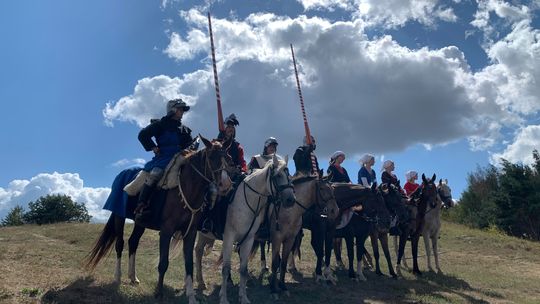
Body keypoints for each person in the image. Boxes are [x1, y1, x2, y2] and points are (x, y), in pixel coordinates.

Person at [134, 98, 193, 223]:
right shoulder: (160, 124)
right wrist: (153, 147)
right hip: (164, 157)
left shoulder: (185, 129)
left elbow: (191, 145)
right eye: (180, 109)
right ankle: (142, 204)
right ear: (172, 109)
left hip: (181, 156)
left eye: (183, 110)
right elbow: (143, 135)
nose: (182, 112)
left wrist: (190, 150)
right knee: (156, 173)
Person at [200, 113, 247, 236]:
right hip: (215, 175)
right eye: (229, 126)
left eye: (233, 127)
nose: (231, 128)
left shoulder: (237, 146)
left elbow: (242, 162)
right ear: (224, 128)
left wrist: (242, 169)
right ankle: (207, 221)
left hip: (232, 176)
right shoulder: (215, 143)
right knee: (213, 193)